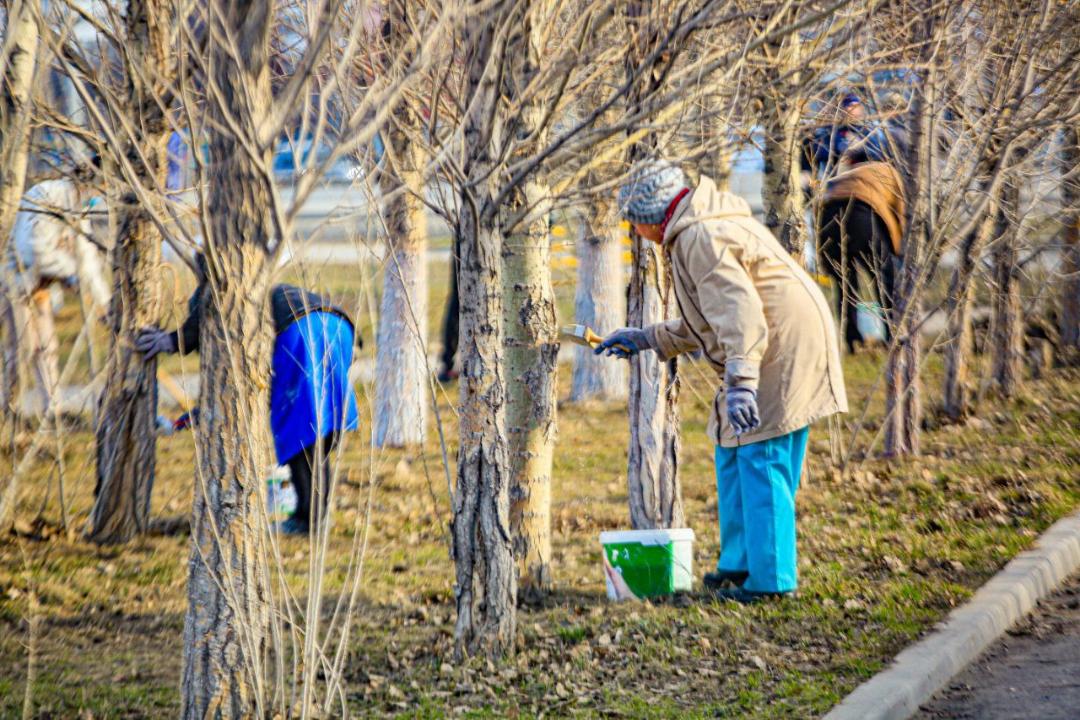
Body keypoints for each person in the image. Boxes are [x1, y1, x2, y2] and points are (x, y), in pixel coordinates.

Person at [596, 159, 847, 604]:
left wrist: (742, 384)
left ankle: (770, 581)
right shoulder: (693, 228)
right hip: (773, 339)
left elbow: (740, 316)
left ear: (652, 216)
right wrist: (646, 338)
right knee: (731, 446)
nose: (635, 232)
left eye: (634, 223)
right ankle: (739, 563)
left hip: (780, 346)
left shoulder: (699, 238)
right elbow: (707, 320)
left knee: (760, 452)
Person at [135, 254, 361, 535]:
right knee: (321, 427)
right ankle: (315, 514)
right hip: (337, 326)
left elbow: (211, 310)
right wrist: (192, 415)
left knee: (300, 435)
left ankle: (309, 520)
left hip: (300, 333)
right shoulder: (258, 287)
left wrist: (172, 340)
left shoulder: (225, 294)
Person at [3, 165, 110, 417]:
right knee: (23, 348)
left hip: (41, 286)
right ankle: (8, 408)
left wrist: (105, 304)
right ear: (85, 184)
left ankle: (52, 410)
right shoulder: (47, 196)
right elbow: (33, 250)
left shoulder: (79, 209)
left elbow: (88, 261)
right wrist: (69, 271)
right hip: (16, 280)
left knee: (47, 347)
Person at [817, 160, 906, 352]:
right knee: (885, 280)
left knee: (844, 284)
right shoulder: (889, 171)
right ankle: (894, 336)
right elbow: (900, 213)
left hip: (827, 219)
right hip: (861, 213)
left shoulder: (846, 175)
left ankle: (852, 340)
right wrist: (899, 250)